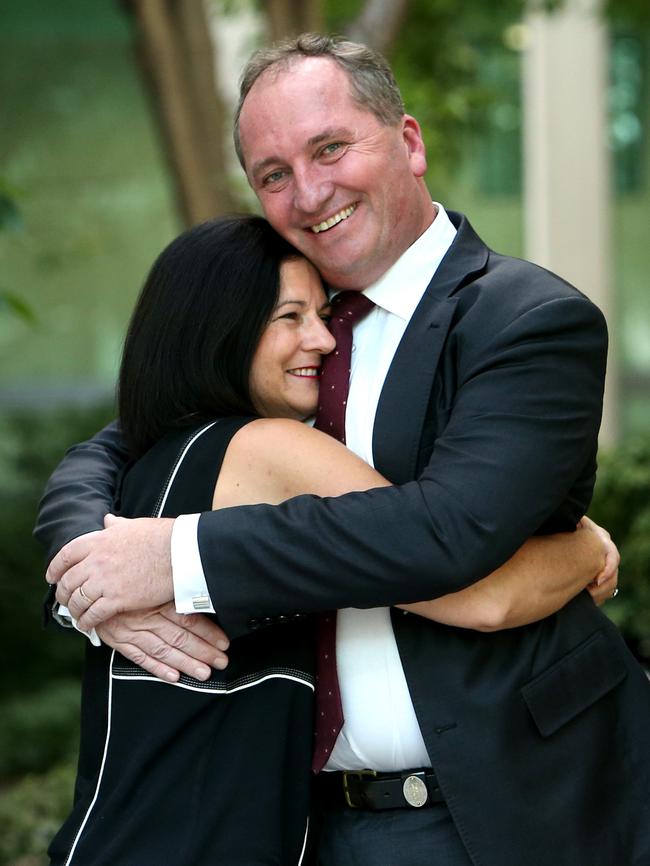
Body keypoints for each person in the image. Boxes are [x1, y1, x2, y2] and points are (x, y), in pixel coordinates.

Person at [37, 34, 650, 866]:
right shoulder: (285, 322)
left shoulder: (524, 317)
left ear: (408, 141)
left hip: (511, 807)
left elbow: (447, 534)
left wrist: (179, 555)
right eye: (274, 174)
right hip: (298, 819)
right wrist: (94, 577)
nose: (309, 190)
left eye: (330, 148)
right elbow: (126, 443)